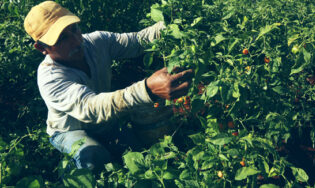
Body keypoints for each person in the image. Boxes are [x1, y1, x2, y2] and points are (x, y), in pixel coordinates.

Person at [24, 1, 193, 173]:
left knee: (140, 156)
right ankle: (73, 176)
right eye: (62, 39)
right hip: (70, 130)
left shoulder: (96, 42)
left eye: (74, 29)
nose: (75, 41)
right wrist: (147, 89)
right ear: (41, 48)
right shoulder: (50, 78)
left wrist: (174, 19)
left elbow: (138, 41)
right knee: (93, 157)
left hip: (105, 124)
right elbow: (91, 107)